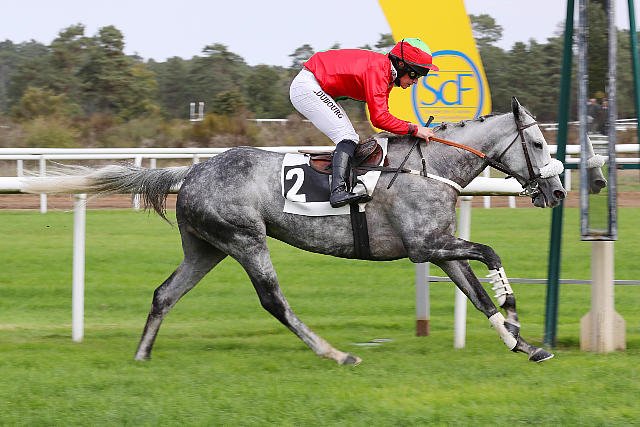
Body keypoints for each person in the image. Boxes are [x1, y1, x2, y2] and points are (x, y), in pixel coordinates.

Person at [289, 38, 439, 207]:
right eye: (415, 74)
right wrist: (414, 129)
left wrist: (411, 128)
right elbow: (379, 118)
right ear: (401, 65)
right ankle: (337, 192)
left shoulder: (385, 73)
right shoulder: (379, 71)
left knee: (350, 137)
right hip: (309, 87)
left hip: (314, 84)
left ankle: (342, 186)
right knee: (348, 137)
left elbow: (383, 116)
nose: (416, 81)